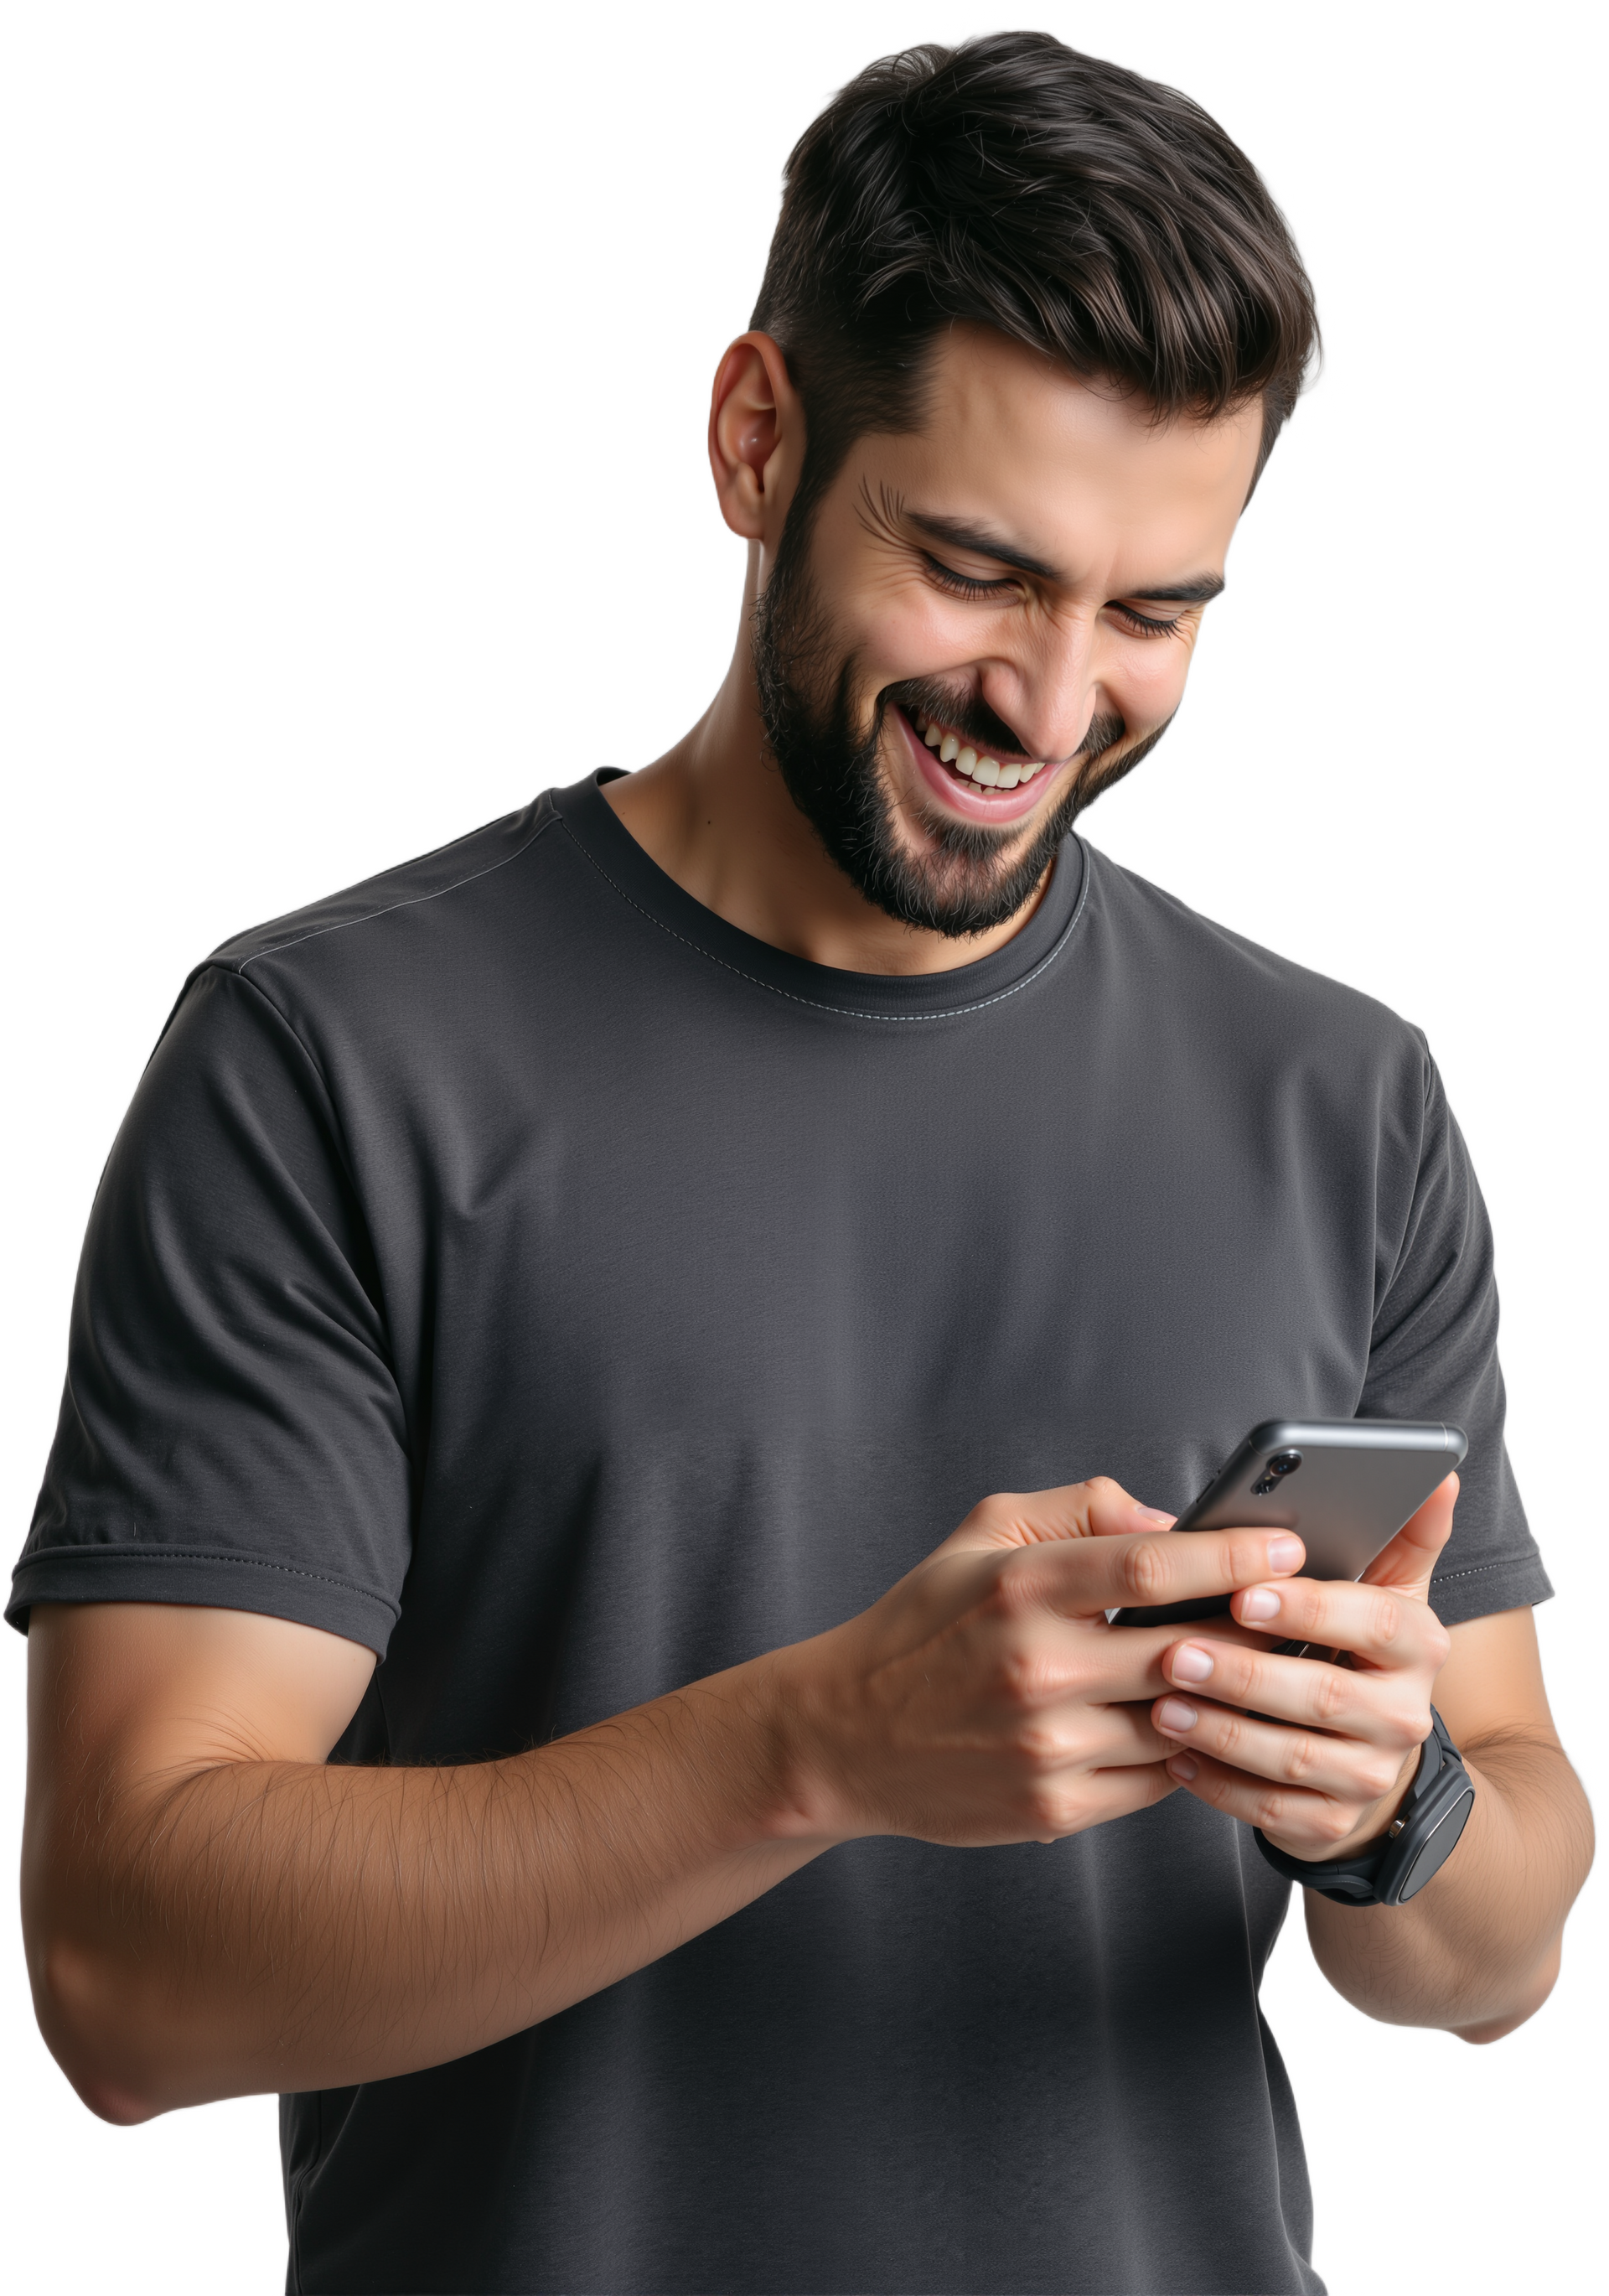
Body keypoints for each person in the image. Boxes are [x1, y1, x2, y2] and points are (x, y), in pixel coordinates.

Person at [11, 23, 1594, 2295]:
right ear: (759, 438)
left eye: (1155, 614)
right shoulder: (332, 1058)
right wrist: (823, 1747)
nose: (1051, 708)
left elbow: (1497, 1928)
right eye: (976, 568)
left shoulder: (1341, 1102)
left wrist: (1392, 1807)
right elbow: (130, 1975)